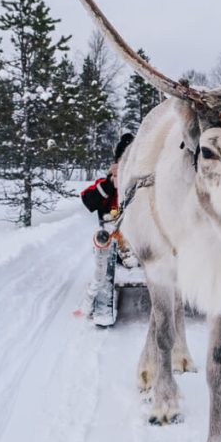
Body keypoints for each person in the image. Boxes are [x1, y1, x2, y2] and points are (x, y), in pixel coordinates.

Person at [79, 133, 135, 326]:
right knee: (108, 234)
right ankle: (103, 306)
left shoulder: (147, 181)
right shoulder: (108, 182)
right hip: (116, 240)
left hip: (145, 237)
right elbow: (88, 200)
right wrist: (111, 184)